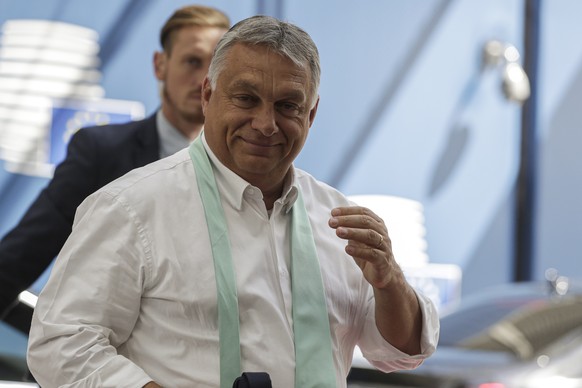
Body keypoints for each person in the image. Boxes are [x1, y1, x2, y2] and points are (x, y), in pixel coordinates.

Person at [27, 15, 439, 388]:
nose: (265, 124)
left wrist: (389, 282)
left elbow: (401, 351)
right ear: (208, 96)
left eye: (287, 106)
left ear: (311, 115)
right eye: (246, 98)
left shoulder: (338, 220)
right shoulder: (131, 207)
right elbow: (60, 342)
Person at [0, 5, 230, 318]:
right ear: (160, 65)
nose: (204, 78)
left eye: (214, 66)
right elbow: (21, 257)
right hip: (84, 356)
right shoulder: (101, 151)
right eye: (193, 61)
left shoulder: (239, 172)